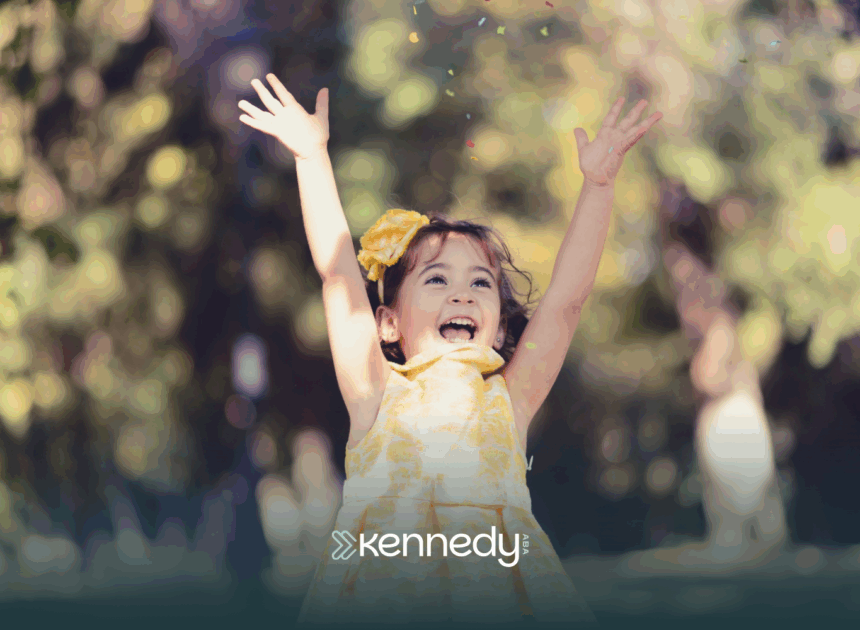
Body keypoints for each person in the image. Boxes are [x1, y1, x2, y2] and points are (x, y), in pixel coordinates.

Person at [238, 74, 662, 628]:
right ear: (387, 323)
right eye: (436, 281)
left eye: (481, 284)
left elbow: (564, 303)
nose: (462, 292)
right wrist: (312, 158)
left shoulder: (509, 401)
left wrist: (599, 187)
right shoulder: (375, 395)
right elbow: (339, 277)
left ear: (501, 331)